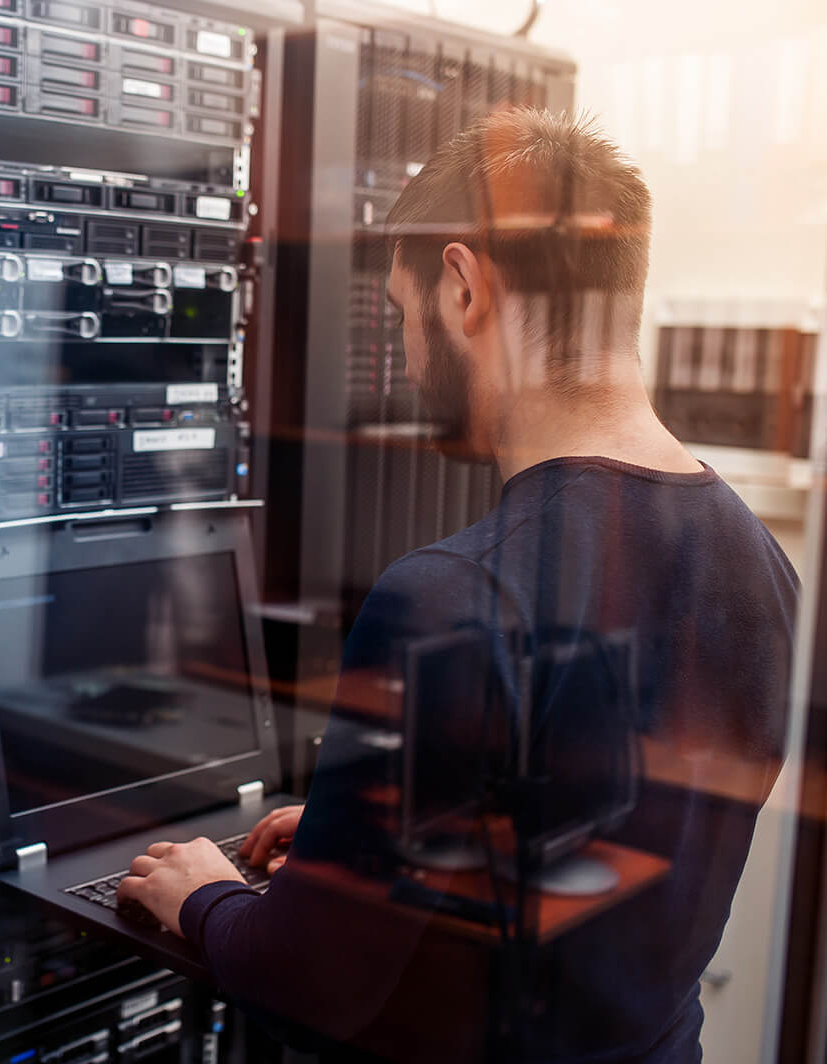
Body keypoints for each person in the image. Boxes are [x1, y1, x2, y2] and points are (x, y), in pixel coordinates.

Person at [117, 109, 799, 1061]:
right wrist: (362, 836)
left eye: (402, 315)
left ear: (465, 284)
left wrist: (205, 894)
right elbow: (591, 831)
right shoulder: (763, 565)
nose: (403, 356)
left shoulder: (448, 596)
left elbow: (314, 988)